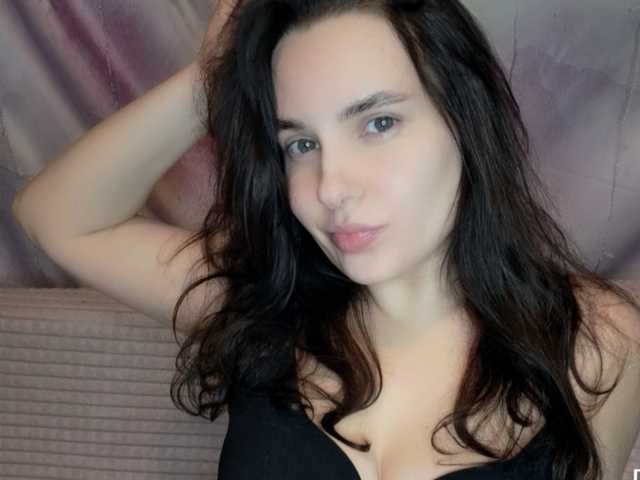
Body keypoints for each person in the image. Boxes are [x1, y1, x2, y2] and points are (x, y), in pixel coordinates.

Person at [11, 1, 640, 479]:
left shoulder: (600, 340)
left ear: (466, 119)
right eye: (301, 144)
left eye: (379, 123)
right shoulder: (264, 299)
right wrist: (212, 80)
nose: (331, 186)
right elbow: (55, 217)